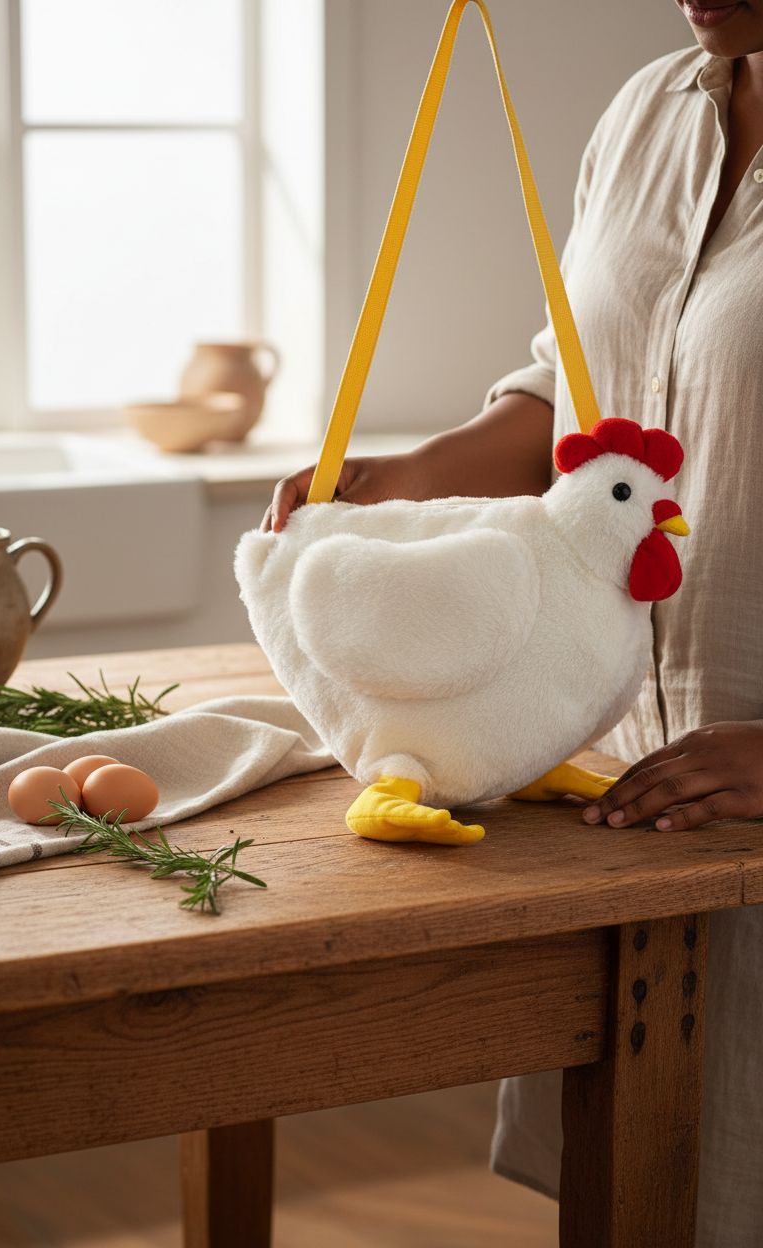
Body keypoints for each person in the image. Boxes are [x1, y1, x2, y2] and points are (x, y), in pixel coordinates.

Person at [264, 0, 763, 1241]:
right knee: (639, 1181)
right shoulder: (653, 107)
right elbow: (580, 394)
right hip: (607, 777)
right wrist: (409, 475)